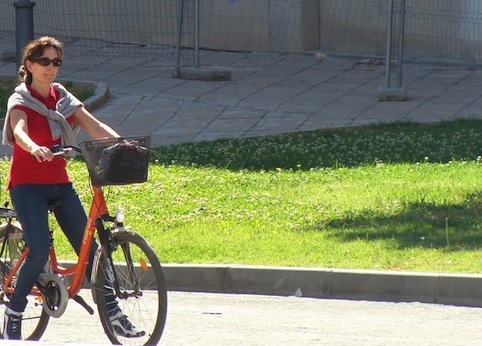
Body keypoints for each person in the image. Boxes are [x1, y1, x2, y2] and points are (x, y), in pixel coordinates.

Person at [1, 36, 141, 340]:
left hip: (60, 185)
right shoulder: (20, 100)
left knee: (92, 252)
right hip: (27, 186)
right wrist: (34, 147)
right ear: (29, 65)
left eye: (56, 62)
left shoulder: (62, 99)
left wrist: (121, 143)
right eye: (44, 61)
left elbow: (94, 126)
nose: (51, 68)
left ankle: (114, 313)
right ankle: (14, 311)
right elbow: (20, 131)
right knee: (38, 250)